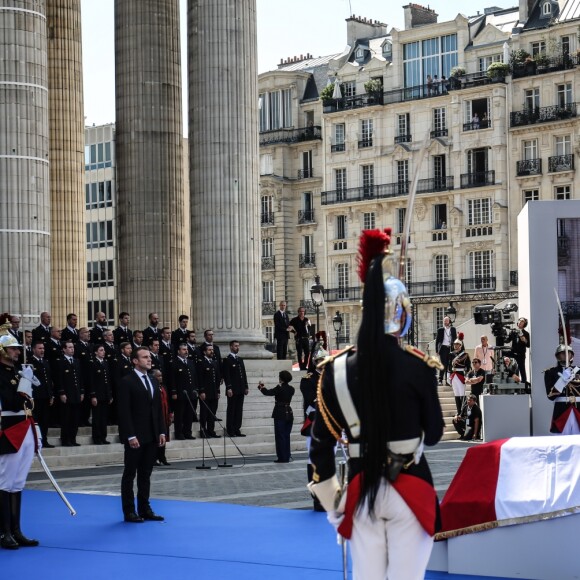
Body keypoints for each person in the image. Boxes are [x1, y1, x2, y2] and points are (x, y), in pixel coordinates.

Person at [308, 229, 444, 580]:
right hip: (411, 487)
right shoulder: (418, 366)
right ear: (401, 314)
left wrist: (333, 500)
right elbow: (434, 436)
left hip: (360, 488)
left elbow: (319, 445)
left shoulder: (335, 370)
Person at [0, 317, 39, 549]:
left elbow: (28, 404)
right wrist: (24, 386)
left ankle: (16, 529)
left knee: (17, 483)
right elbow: (12, 402)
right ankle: (4, 531)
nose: (17, 351)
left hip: (24, 427)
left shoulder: (15, 371)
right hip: (9, 429)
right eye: (13, 348)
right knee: (5, 482)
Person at [117, 347, 166, 523]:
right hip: (135, 437)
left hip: (152, 435)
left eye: (150, 357)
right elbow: (124, 412)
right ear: (135, 361)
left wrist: (161, 431)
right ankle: (129, 511)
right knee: (130, 474)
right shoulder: (127, 381)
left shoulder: (153, 380)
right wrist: (130, 435)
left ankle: (145, 508)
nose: (149, 359)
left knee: (146, 474)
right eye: (145, 357)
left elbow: (158, 409)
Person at [300, 336, 328, 511]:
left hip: (330, 424)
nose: (323, 364)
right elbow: (312, 398)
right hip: (314, 423)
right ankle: (316, 494)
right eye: (320, 361)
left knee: (329, 459)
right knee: (314, 459)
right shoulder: (308, 378)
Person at [258, 370, 295, 463]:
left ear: (281, 378)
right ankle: (287, 455)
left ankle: (282, 457)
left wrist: (261, 386)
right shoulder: (292, 389)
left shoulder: (279, 388)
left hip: (280, 412)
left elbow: (267, 392)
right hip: (289, 413)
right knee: (286, 436)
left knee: (280, 436)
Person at [545, 344, 580, 434]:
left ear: (572, 355)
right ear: (558, 356)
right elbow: (550, 396)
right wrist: (562, 381)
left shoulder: (579, 371)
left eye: (568, 353)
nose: (566, 355)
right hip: (562, 411)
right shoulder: (551, 372)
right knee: (561, 442)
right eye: (563, 353)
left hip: (578, 409)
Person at [56, 340, 84, 447]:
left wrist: (82, 391)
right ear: (64, 349)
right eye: (69, 347)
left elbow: (80, 378)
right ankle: (65, 439)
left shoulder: (76, 361)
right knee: (66, 418)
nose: (72, 349)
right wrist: (62, 392)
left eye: (73, 347)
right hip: (67, 394)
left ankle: (73, 438)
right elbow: (60, 379)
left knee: (75, 419)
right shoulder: (61, 361)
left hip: (76, 394)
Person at [28, 340, 54, 448]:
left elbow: (49, 380)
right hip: (36, 396)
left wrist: (51, 394)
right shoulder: (30, 362)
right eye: (39, 348)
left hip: (45, 395)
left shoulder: (45, 361)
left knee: (45, 420)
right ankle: (36, 440)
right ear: (34, 349)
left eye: (43, 348)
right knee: (36, 420)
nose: (42, 350)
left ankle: (44, 439)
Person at [170, 343, 197, 440]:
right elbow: (172, 379)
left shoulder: (190, 362)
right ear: (178, 351)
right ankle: (179, 433)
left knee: (189, 415)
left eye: (187, 349)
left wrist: (195, 389)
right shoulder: (174, 362)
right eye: (184, 349)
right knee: (179, 415)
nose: (186, 351)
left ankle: (187, 432)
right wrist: (174, 392)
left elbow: (194, 377)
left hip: (190, 393)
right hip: (180, 394)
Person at [222, 340, 249, 437]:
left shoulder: (240, 359)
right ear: (231, 347)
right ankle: (231, 430)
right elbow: (227, 375)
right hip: (233, 389)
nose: (237, 347)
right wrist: (228, 388)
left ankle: (237, 428)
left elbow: (243, 374)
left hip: (241, 388)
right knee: (232, 409)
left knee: (239, 410)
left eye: (238, 346)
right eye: (235, 346)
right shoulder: (227, 360)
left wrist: (246, 386)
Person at [88, 344, 113, 445]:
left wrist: (110, 395)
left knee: (104, 418)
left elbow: (108, 381)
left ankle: (103, 437)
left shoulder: (105, 362)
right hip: (97, 395)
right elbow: (91, 381)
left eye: (104, 350)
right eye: (101, 350)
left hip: (105, 395)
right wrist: (93, 395)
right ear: (96, 352)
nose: (103, 352)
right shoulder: (92, 363)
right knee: (97, 418)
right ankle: (97, 438)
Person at [196, 344, 221, 438]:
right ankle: (203, 431)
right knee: (204, 413)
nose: (212, 351)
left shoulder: (215, 362)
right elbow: (200, 378)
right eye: (209, 350)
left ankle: (211, 431)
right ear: (204, 352)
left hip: (214, 391)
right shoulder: (201, 362)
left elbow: (217, 378)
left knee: (212, 412)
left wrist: (218, 391)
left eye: (212, 350)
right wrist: (201, 391)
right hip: (205, 392)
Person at [152, 368, 171, 466]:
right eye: (158, 376)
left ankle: (162, 457)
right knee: (156, 438)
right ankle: (154, 458)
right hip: (156, 416)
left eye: (161, 375)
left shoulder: (163, 387)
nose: (161, 377)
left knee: (164, 438)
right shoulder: (151, 387)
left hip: (164, 415)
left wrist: (170, 413)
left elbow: (167, 401)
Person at [450, 334, 470, 414]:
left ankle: (463, 412)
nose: (455, 346)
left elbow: (468, 366)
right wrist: (449, 375)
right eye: (454, 344)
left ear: (460, 345)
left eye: (457, 344)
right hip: (454, 375)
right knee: (456, 394)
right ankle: (459, 412)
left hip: (461, 375)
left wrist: (466, 374)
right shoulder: (451, 354)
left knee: (462, 394)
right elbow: (449, 366)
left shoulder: (465, 355)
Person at [435, 316, 456, 385]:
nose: (445, 322)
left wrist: (456, 349)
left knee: (450, 365)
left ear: (449, 322)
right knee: (443, 364)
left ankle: (448, 381)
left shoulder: (453, 329)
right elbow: (437, 341)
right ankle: (440, 379)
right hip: (443, 348)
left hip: (450, 348)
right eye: (444, 321)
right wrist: (437, 350)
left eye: (446, 321)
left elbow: (455, 339)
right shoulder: (440, 330)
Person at [511, 317, 530, 384]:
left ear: (524, 324)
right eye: (519, 321)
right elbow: (508, 339)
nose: (520, 322)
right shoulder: (513, 331)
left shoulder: (526, 333)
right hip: (513, 352)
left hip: (521, 354)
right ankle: (513, 381)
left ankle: (524, 383)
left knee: (522, 369)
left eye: (522, 322)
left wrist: (524, 340)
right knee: (512, 367)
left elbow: (528, 345)